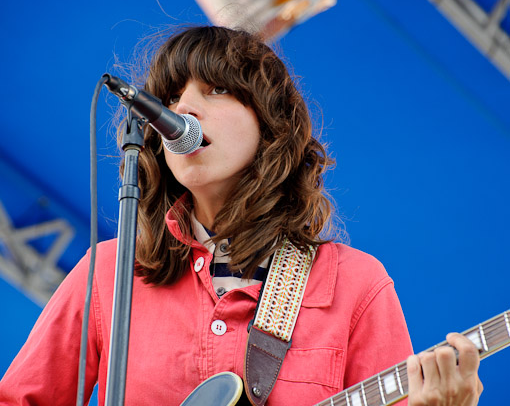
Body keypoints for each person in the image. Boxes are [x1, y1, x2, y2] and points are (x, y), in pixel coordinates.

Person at [0, 26, 482, 405]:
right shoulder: (110, 272)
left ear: (269, 124)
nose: (183, 107)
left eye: (214, 90)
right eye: (169, 98)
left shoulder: (356, 286)